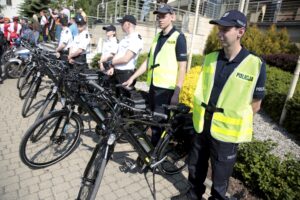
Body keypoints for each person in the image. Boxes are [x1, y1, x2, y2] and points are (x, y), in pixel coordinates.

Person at [171, 10, 266, 200]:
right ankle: (193, 195)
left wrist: (231, 121)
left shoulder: (255, 64)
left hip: (227, 133)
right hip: (202, 124)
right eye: (219, 28)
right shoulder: (211, 58)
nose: (219, 33)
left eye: (225, 29)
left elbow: (256, 105)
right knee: (196, 165)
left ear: (240, 31)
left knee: (221, 177)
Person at [123, 5, 187, 145]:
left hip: (166, 90)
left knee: (159, 125)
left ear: (172, 16)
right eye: (158, 16)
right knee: (154, 122)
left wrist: (177, 92)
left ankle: (153, 158)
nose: (160, 19)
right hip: (153, 86)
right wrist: (133, 77)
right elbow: (149, 61)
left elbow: (183, 67)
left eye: (163, 16)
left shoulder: (179, 38)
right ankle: (152, 153)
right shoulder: (157, 37)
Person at [105, 15, 143, 97]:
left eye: (122, 23)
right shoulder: (124, 39)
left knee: (125, 101)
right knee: (114, 98)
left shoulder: (136, 38)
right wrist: (112, 66)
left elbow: (126, 59)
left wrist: (111, 62)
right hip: (116, 72)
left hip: (126, 74)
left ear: (128, 24)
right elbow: (118, 54)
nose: (121, 25)